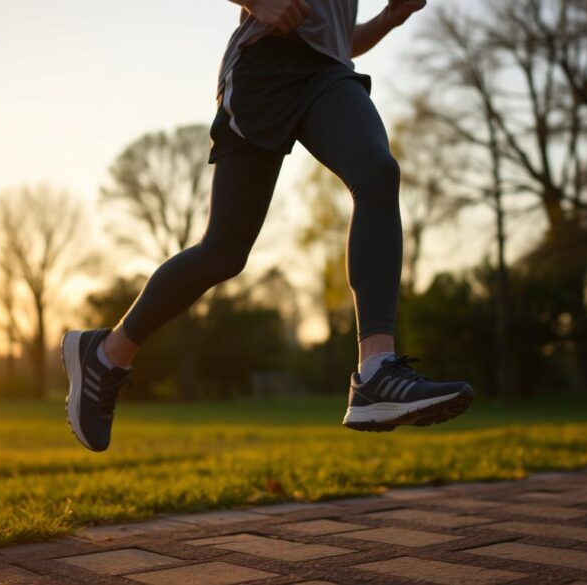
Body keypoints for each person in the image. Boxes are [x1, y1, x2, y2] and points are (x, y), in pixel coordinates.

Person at [61, 0, 473, 452]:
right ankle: (106, 354)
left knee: (377, 172)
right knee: (223, 252)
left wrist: (389, 18)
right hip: (266, 64)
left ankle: (376, 371)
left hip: (329, 74)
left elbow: (336, 39)